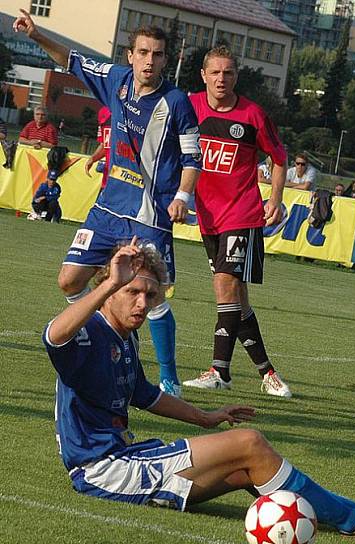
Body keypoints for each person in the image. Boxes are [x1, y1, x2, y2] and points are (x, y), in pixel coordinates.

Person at [43, 240, 355, 536]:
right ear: (110, 290)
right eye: (132, 292)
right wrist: (111, 281)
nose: (143, 303)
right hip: (104, 469)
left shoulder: (125, 337)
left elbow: (145, 394)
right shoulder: (92, 330)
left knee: (250, 469)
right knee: (249, 443)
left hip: (128, 456)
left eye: (151, 294)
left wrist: (206, 418)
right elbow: (53, 336)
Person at [13, 10, 201, 398]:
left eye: (158, 54)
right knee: (69, 279)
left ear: (166, 60)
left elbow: (192, 157)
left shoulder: (177, 102)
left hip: (150, 214)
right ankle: (98, 343)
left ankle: (168, 378)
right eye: (144, 52)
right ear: (129, 55)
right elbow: (71, 60)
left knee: (151, 292)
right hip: (108, 208)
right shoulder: (115, 80)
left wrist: (183, 195)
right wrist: (35, 34)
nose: (150, 60)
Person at [182, 46, 291, 397]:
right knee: (238, 300)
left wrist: (274, 198)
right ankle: (268, 372)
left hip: (242, 213)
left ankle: (220, 370)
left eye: (228, 73)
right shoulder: (190, 106)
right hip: (208, 218)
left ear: (236, 76)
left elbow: (278, 157)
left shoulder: (253, 114)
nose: (221, 79)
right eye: (215, 72)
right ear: (203, 74)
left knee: (225, 285)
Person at [84, 106, 111, 188]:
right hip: (108, 176)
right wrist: (93, 158)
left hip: (127, 176)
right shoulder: (104, 111)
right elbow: (105, 144)